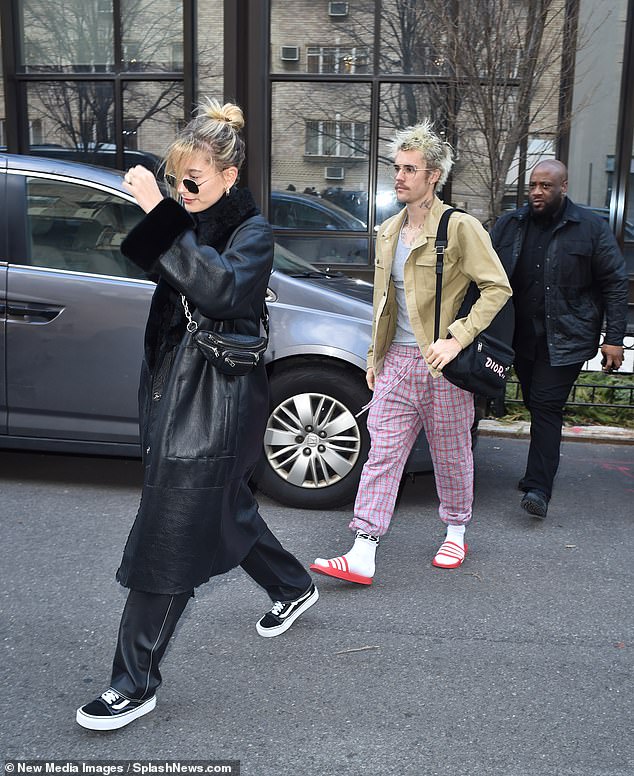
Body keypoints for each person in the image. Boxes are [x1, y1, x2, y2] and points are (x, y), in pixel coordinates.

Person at [76, 99, 318, 732]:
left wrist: (160, 211)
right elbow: (143, 258)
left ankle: (134, 681)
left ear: (229, 176)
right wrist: (161, 214)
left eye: (193, 181)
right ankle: (292, 585)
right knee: (224, 512)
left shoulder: (251, 234)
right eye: (175, 179)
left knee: (172, 533)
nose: (181, 192)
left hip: (216, 403)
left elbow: (217, 291)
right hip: (171, 391)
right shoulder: (189, 221)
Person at [310, 120, 512, 584]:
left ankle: (456, 530)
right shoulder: (387, 231)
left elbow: (496, 288)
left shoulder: (460, 228)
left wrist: (458, 337)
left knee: (451, 453)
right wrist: (373, 358)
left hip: (442, 364)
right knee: (382, 453)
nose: (398, 177)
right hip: (397, 364)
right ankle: (363, 549)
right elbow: (384, 303)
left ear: (433, 175)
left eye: (409, 169)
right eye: (396, 168)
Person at [490, 159, 628, 519]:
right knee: (535, 403)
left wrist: (613, 340)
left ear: (563, 187)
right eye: (533, 185)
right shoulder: (510, 225)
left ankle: (538, 488)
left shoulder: (590, 229)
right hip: (516, 338)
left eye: (546, 186)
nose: (537, 191)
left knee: (547, 407)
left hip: (564, 338)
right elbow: (483, 272)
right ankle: (537, 472)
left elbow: (615, 283)